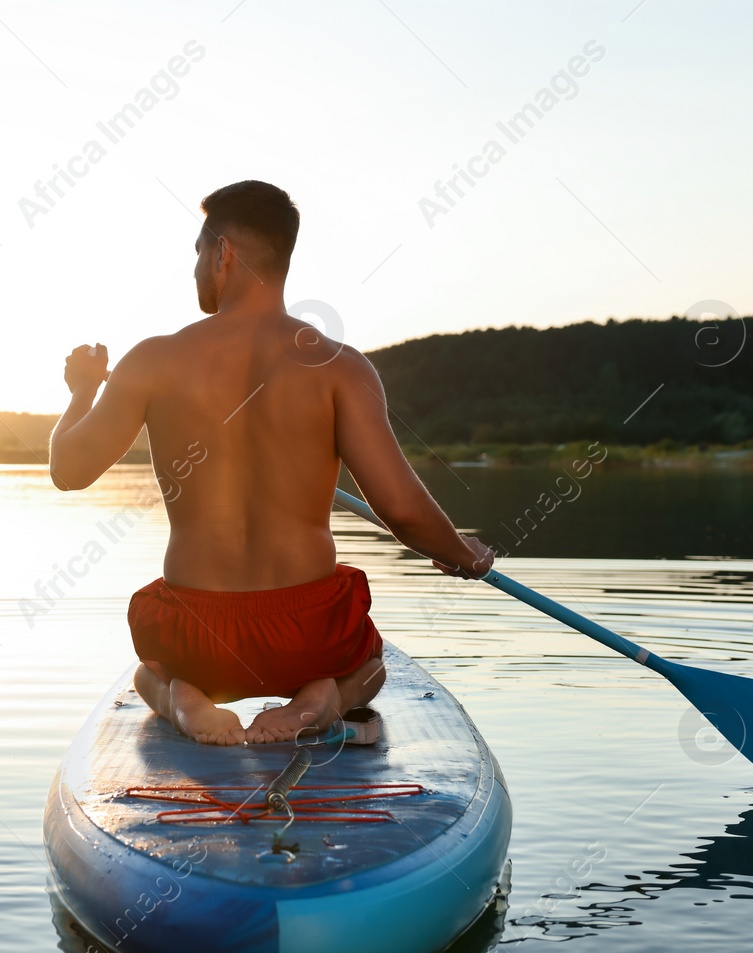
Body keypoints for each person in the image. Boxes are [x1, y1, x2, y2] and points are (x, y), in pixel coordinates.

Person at [48, 180, 493, 746]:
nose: (195, 270)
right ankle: (326, 696)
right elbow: (402, 510)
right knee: (371, 666)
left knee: (148, 670)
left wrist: (81, 391)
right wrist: (463, 554)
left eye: (197, 254)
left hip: (198, 632)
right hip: (308, 633)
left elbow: (68, 471)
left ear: (222, 254)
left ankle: (182, 700)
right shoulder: (339, 368)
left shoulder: (152, 361)